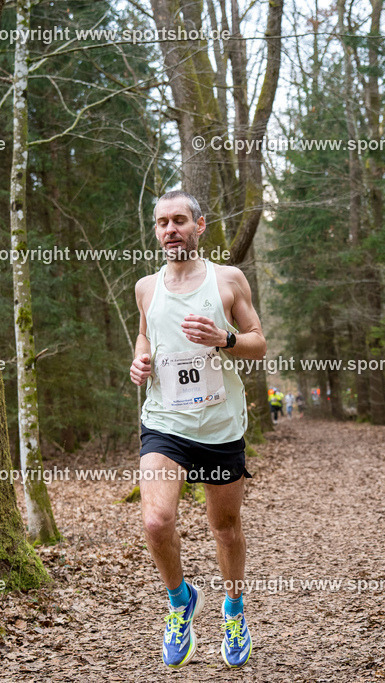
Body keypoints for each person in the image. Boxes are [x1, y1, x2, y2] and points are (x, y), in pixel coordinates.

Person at [130, 190, 266, 669]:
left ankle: (233, 610)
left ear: (199, 225)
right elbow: (146, 332)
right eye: (162, 222)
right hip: (165, 421)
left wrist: (225, 338)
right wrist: (139, 359)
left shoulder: (227, 279)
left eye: (180, 220)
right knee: (155, 521)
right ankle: (179, 601)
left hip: (220, 423)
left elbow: (259, 343)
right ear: (156, 229)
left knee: (224, 527)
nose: (170, 229)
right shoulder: (147, 286)